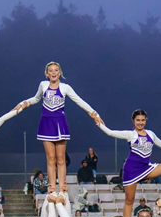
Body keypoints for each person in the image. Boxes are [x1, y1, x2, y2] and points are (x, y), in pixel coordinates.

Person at [15, 62, 102, 195]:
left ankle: (62, 185)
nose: (54, 73)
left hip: (60, 124)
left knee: (60, 159)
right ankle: (51, 186)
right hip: (46, 124)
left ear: (60, 73)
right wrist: (23, 103)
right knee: (50, 159)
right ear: (47, 73)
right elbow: (36, 99)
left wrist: (93, 113)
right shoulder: (43, 85)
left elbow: (79, 101)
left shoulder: (65, 87)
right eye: (51, 71)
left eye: (56, 70)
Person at [97, 109, 161, 217]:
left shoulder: (151, 134)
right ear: (133, 121)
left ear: (146, 120)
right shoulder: (131, 134)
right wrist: (97, 122)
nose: (140, 122)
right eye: (138, 120)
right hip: (131, 169)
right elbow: (110, 132)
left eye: (143, 120)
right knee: (129, 200)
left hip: (145, 167)